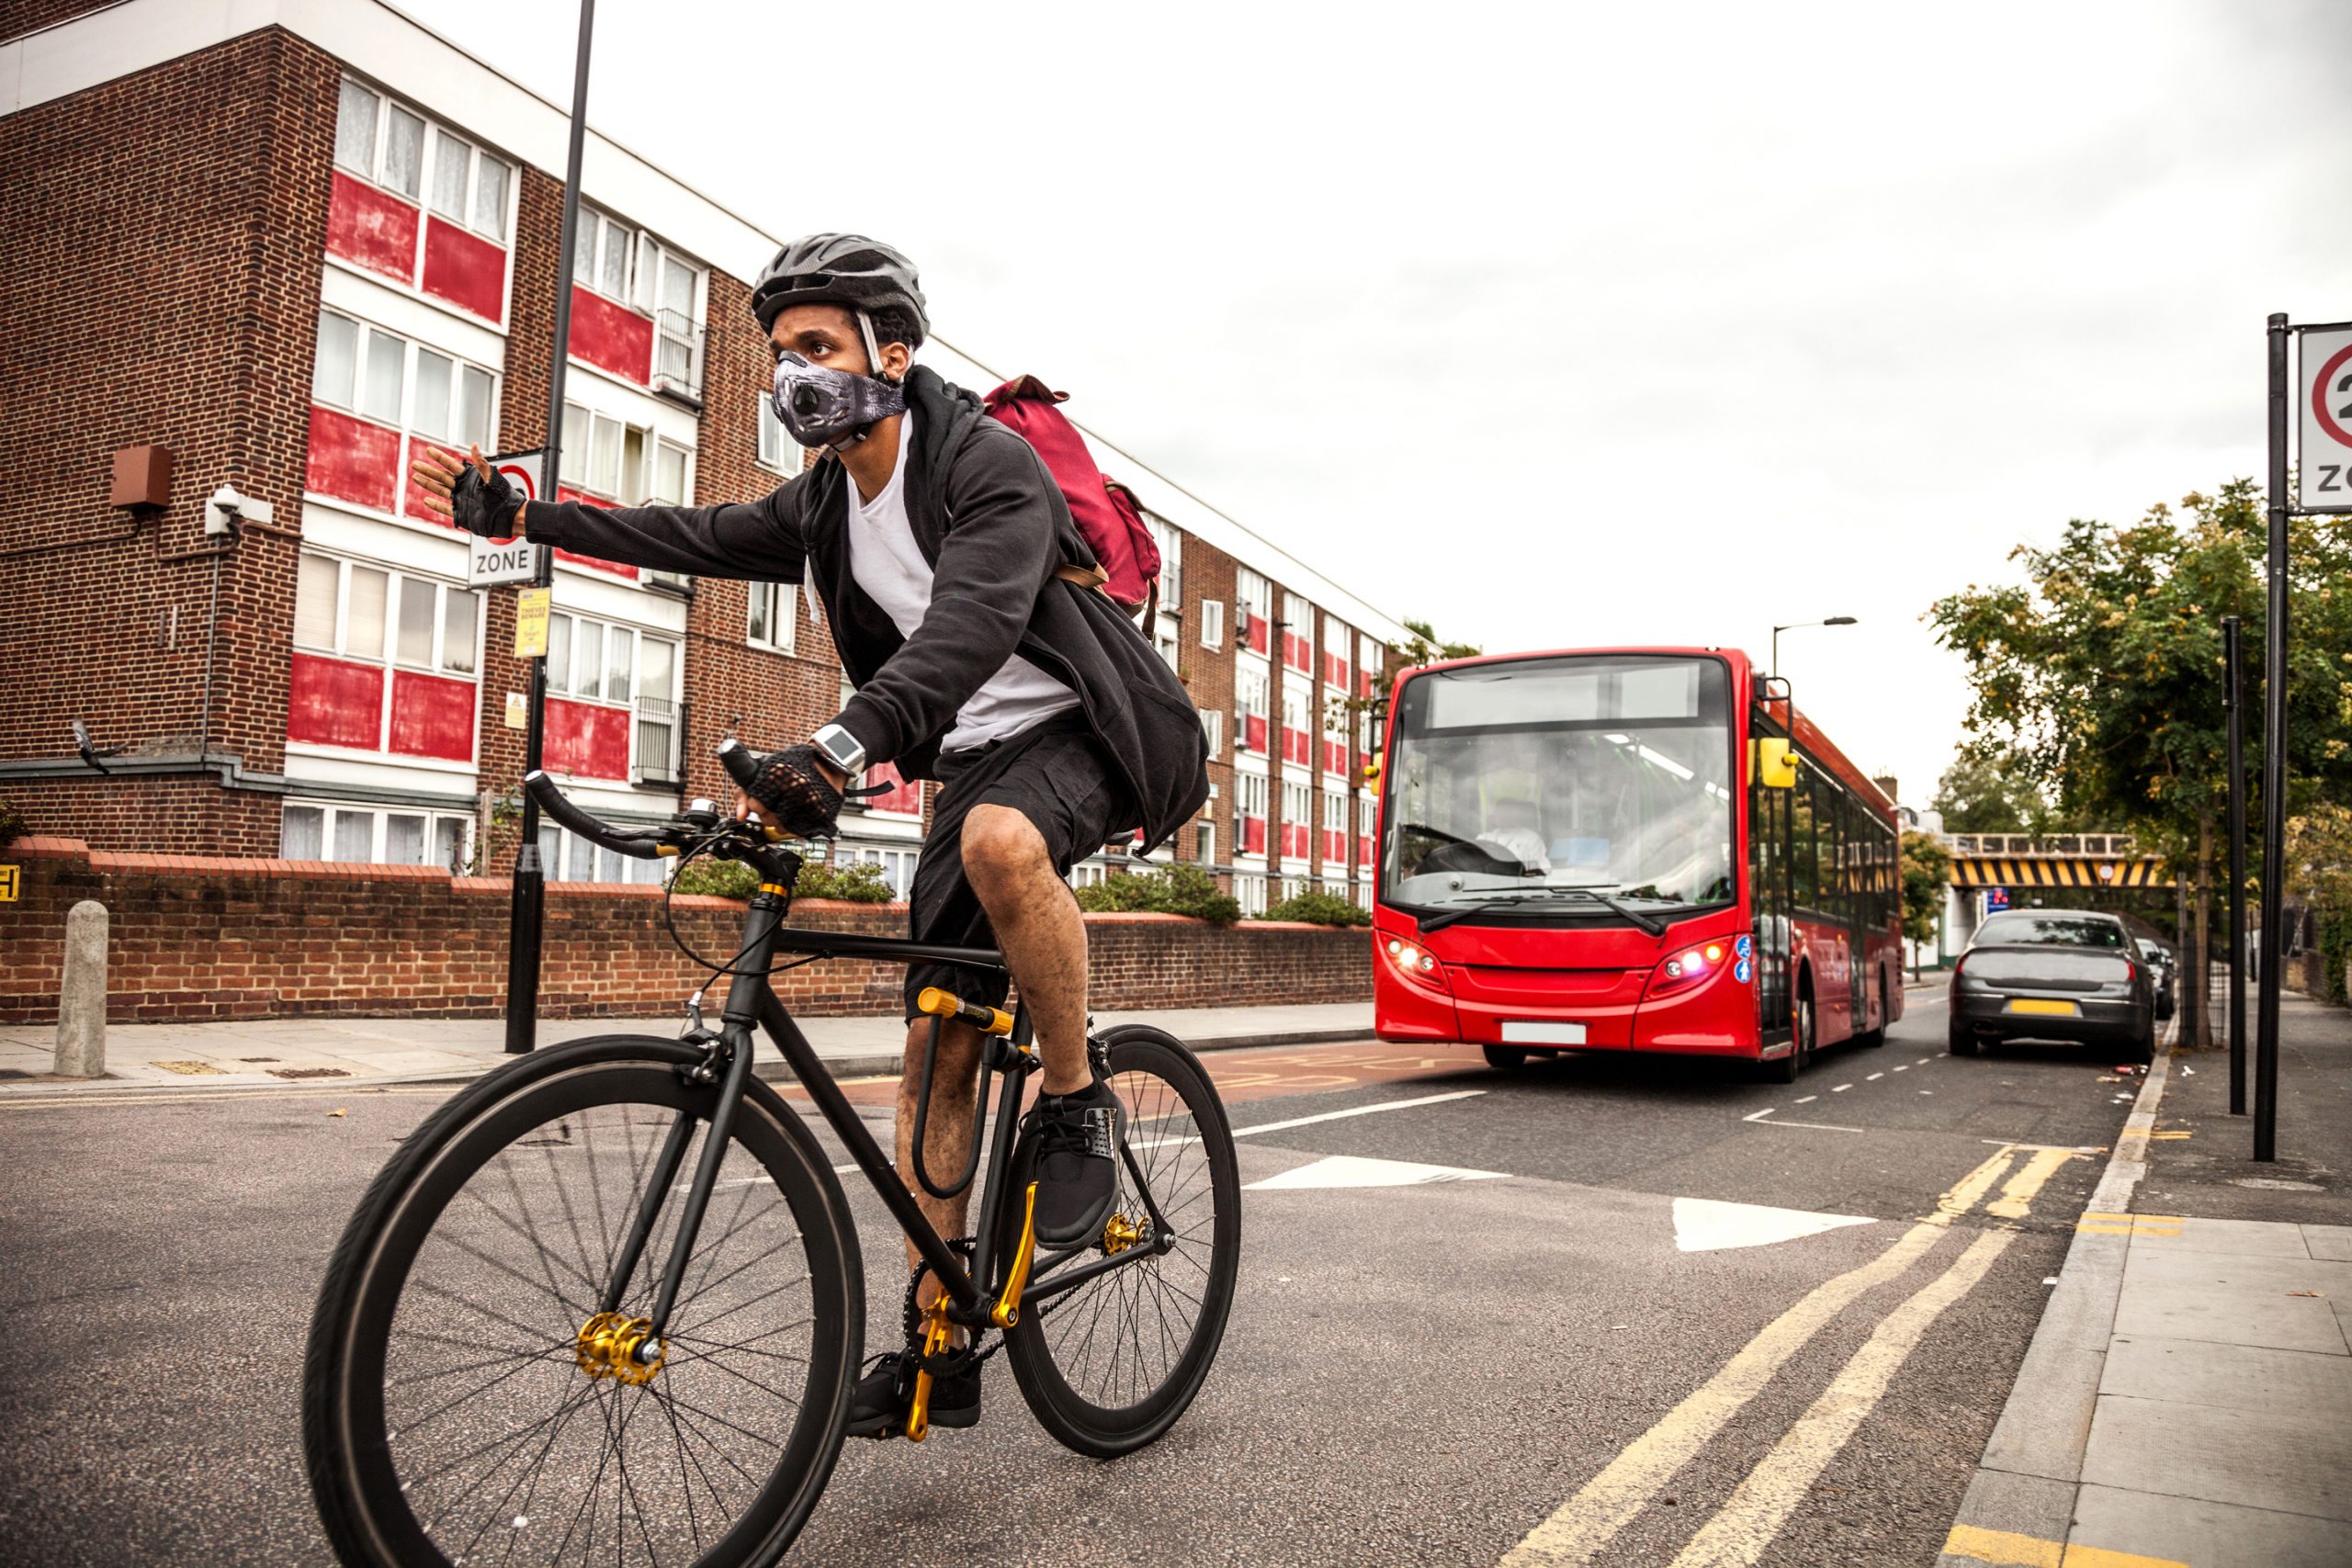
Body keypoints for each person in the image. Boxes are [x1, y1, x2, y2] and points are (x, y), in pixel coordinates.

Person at [411, 234, 1209, 1438]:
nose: (794, 377)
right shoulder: (828, 499)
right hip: (974, 752)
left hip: (1085, 725)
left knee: (998, 841)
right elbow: (697, 532)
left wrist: (844, 746)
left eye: (819, 350)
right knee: (936, 1043)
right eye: (782, 357)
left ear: (892, 352)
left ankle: (1075, 1097)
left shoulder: (987, 469)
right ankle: (938, 1348)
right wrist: (532, 515)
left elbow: (971, 633)